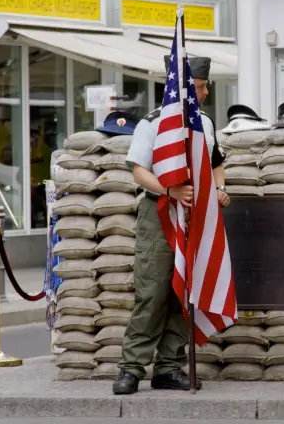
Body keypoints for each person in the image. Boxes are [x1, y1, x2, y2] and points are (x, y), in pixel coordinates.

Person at [113, 56, 230, 395]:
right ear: (179, 89)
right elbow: (138, 171)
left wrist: (220, 188)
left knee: (184, 293)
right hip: (160, 212)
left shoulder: (205, 123)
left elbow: (216, 161)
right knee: (153, 292)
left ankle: (168, 366)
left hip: (194, 216)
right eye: (198, 87)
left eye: (205, 87)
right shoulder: (153, 124)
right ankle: (131, 367)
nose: (204, 93)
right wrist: (169, 190)